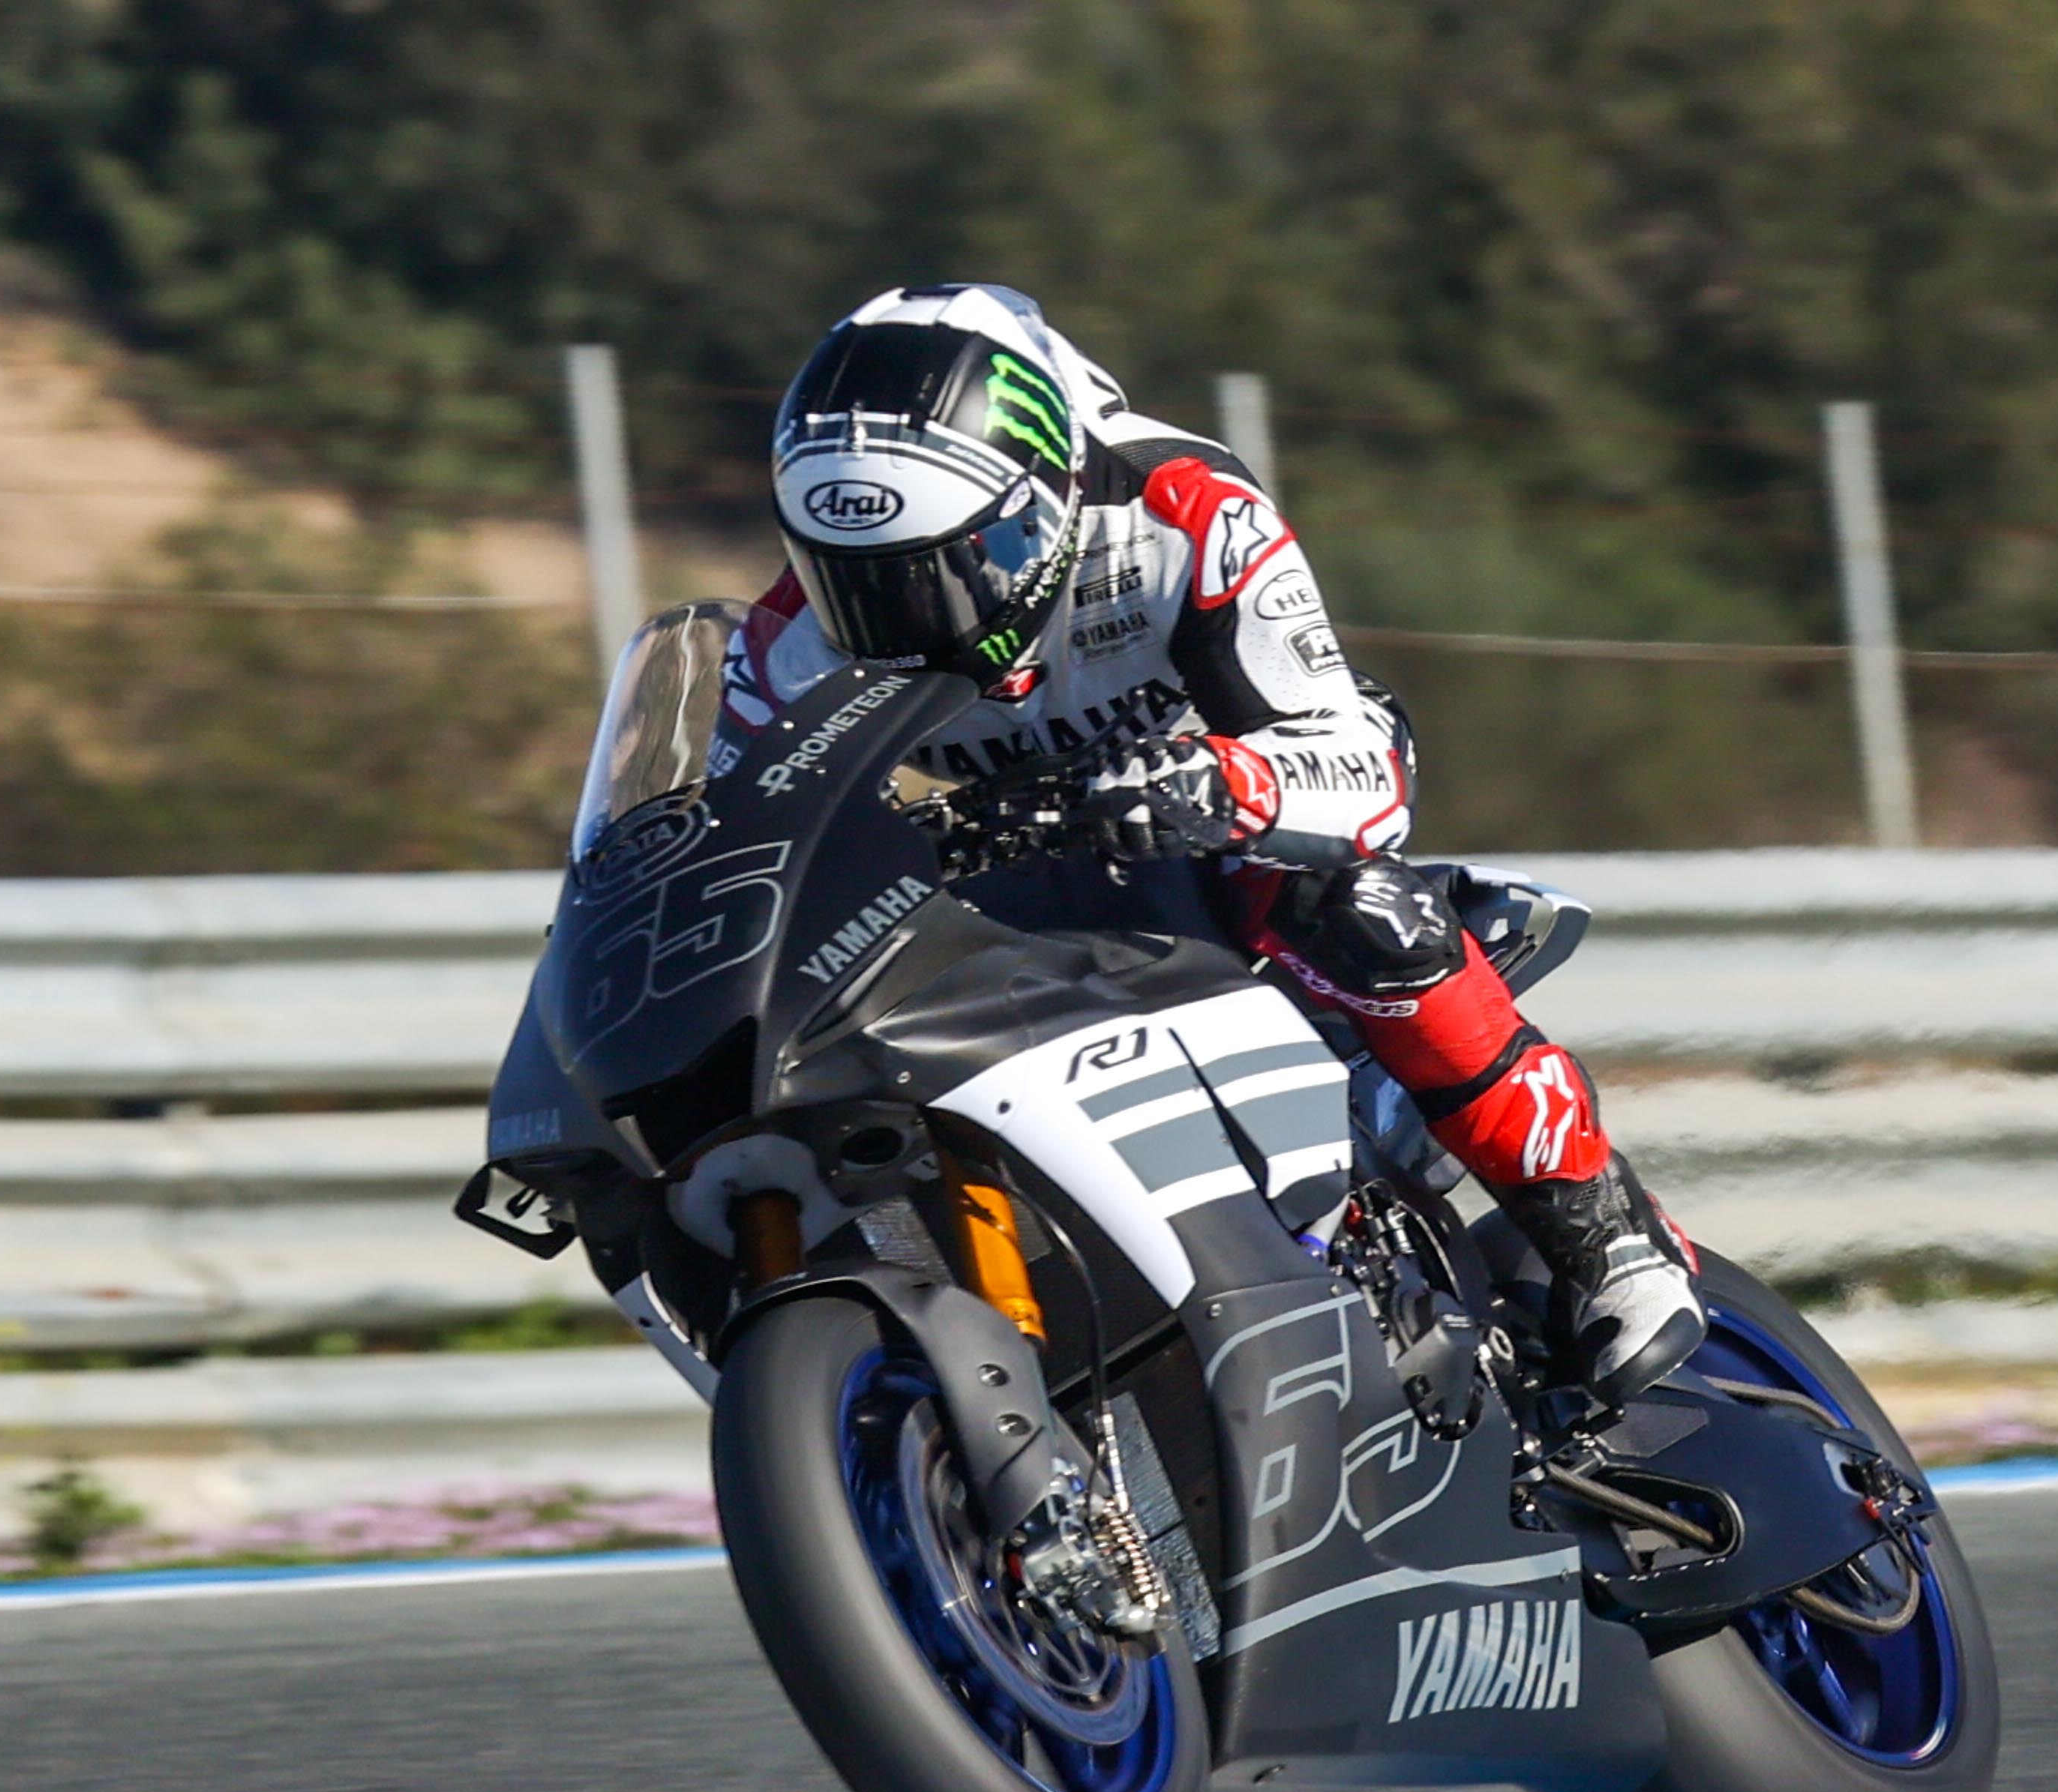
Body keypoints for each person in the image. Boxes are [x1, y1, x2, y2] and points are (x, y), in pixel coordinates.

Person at [728, 283, 1702, 1404]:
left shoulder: (1182, 508)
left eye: (951, 566)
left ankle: (1605, 1238)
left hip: (1235, 807)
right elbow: (728, 825)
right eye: (861, 587)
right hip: (1002, 880)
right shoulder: (787, 639)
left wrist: (1208, 780)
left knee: (1357, 911)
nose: (911, 618)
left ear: (1043, 494)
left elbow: (1358, 762)